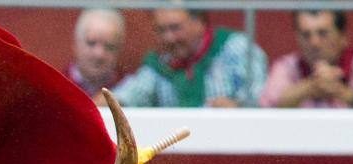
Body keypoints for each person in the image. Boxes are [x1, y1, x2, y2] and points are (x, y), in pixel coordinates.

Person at [113, 6, 266, 108]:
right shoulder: (160, 62)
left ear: (199, 22)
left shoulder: (235, 47)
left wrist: (236, 108)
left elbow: (261, 98)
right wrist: (108, 104)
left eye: (175, 28)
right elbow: (132, 94)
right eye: (161, 30)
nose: (169, 38)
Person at [260, 10, 353, 109]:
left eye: (323, 33)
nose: (314, 43)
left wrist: (345, 94)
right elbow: (267, 102)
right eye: (306, 35)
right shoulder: (287, 66)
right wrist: (311, 86)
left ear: (342, 36)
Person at [67, 8, 125, 104]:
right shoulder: (56, 85)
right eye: (91, 43)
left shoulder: (130, 89)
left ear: (119, 50)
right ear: (75, 45)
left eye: (109, 46)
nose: (99, 54)